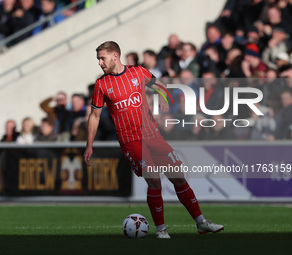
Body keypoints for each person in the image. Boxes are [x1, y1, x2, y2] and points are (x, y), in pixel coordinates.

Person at [84, 41, 224, 238]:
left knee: (178, 178)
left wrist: (163, 99)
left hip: (153, 135)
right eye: (98, 59)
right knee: (154, 180)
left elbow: (160, 86)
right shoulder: (102, 84)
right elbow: (95, 116)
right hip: (131, 140)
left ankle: (201, 223)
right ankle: (161, 229)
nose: (100, 63)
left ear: (115, 56)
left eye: (102, 58)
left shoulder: (138, 72)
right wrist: (89, 145)